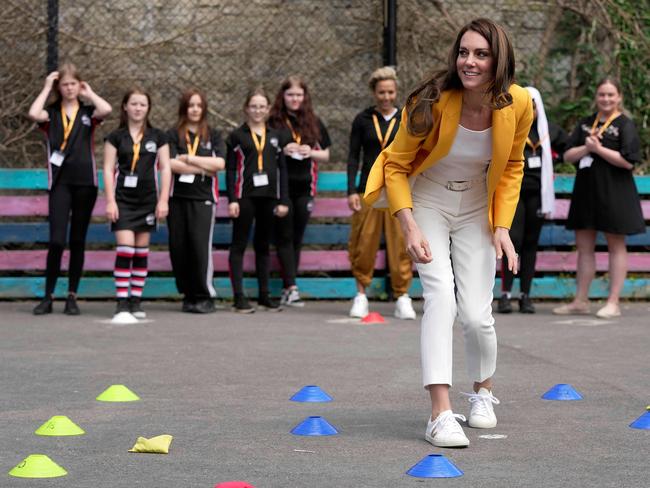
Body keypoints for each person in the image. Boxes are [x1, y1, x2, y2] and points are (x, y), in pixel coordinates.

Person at [364, 18, 533, 448]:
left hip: (478, 203)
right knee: (440, 296)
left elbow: (513, 165)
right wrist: (409, 222)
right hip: (430, 200)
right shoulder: (432, 99)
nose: (469, 62)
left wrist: (502, 226)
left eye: (480, 54)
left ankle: (483, 393)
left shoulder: (519, 102)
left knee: (477, 314)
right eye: (464, 52)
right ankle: (439, 414)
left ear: (500, 59)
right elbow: (396, 165)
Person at [553, 78, 645, 319]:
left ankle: (613, 302)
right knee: (584, 248)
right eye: (602, 94)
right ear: (596, 96)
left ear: (619, 97)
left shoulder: (625, 125)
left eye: (611, 95)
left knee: (616, 246)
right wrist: (586, 148)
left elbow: (628, 161)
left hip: (616, 194)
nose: (606, 99)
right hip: (586, 193)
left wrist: (599, 149)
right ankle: (580, 300)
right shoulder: (585, 124)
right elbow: (568, 156)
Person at [28, 62, 112, 315]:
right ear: (58, 87)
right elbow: (34, 113)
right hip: (60, 183)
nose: (69, 89)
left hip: (85, 182)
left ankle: (72, 296)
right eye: (64, 85)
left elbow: (106, 109)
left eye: (73, 84)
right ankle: (48, 295)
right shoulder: (51, 113)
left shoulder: (88, 112)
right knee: (56, 240)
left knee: (77, 240)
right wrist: (45, 88)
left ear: (79, 84)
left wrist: (90, 93)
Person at [347, 66, 416, 320]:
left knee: (401, 242)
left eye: (390, 92)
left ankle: (402, 296)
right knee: (363, 242)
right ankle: (361, 295)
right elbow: (353, 157)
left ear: (396, 92)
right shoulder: (362, 119)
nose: (386, 97)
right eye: (381, 92)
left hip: (400, 189)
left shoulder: (406, 118)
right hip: (369, 189)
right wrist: (351, 190)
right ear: (373, 93)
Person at [103, 88, 171, 323]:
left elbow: (166, 168)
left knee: (141, 252)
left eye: (142, 104)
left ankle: (135, 300)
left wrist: (163, 200)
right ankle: (121, 301)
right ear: (125, 106)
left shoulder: (158, 137)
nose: (138, 108)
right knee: (125, 249)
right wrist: (110, 201)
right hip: (123, 201)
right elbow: (108, 169)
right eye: (133, 104)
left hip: (148, 201)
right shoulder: (115, 137)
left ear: (148, 108)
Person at [497, 87, 567, 314]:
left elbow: (569, 148)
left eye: (534, 106)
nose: (532, 110)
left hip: (538, 194)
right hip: (514, 194)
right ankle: (505, 294)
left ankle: (525, 295)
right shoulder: (511, 128)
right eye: (528, 105)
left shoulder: (549, 131)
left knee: (530, 244)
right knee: (513, 242)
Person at [268, 76, 331, 307]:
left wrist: (309, 152)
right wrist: (282, 149)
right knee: (284, 235)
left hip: (305, 186)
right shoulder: (274, 121)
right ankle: (291, 287)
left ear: (304, 97)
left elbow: (326, 154)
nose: (294, 99)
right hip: (281, 186)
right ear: (282, 97)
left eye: (298, 95)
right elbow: (264, 150)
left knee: (297, 236)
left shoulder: (313, 121)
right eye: (290, 95)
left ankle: (289, 285)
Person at [226, 87, 289, 313]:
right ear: (246, 109)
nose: (258, 110)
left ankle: (264, 295)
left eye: (262, 106)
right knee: (239, 245)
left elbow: (282, 169)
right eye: (253, 106)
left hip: (269, 197)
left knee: (263, 246)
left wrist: (283, 200)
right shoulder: (237, 135)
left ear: (269, 109)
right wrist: (232, 199)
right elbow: (231, 169)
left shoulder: (276, 136)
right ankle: (239, 297)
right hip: (245, 196)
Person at [167, 88, 225, 314]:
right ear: (184, 108)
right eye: (191, 105)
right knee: (179, 247)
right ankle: (188, 293)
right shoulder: (173, 134)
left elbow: (219, 164)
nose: (195, 109)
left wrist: (189, 158)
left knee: (200, 247)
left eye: (199, 106)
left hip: (203, 198)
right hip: (177, 198)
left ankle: (205, 294)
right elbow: (170, 163)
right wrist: (204, 166)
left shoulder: (213, 134)